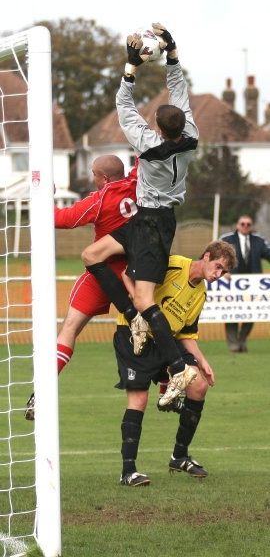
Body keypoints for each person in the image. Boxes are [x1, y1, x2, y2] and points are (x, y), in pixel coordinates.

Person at [82, 23, 199, 401]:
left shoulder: (149, 146)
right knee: (92, 254)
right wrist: (172, 53)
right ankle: (133, 318)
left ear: (159, 130)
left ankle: (179, 368)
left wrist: (131, 66)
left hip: (153, 223)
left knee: (146, 299)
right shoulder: (191, 134)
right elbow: (179, 92)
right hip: (145, 220)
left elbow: (124, 106)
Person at [113, 240, 237, 486]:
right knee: (138, 399)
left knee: (198, 386)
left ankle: (179, 456)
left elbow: (186, 334)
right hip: (134, 335)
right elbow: (128, 273)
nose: (218, 275)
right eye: (217, 266)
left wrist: (202, 361)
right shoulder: (171, 264)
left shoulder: (200, 293)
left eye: (223, 272)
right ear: (206, 255)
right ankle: (128, 471)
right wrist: (134, 310)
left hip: (167, 341)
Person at [24, 155, 138, 420]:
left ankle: (40, 393)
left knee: (69, 329)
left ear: (104, 178)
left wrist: (44, 196)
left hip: (103, 271)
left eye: (94, 174)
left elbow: (61, 219)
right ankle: (169, 386)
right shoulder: (137, 183)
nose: (92, 178)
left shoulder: (99, 201)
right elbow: (145, 159)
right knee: (155, 325)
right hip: (137, 272)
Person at [220, 215, 270, 353]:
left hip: (253, 286)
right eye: (243, 223)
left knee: (251, 313)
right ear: (237, 225)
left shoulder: (259, 241)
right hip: (231, 285)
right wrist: (224, 271)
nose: (245, 226)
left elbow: (268, 254)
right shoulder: (227, 239)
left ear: (252, 226)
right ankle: (233, 345)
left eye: (248, 224)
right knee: (231, 313)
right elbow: (215, 256)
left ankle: (242, 340)